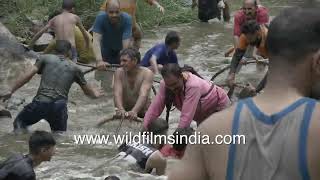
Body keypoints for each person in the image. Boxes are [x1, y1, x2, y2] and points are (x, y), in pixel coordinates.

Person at [168, 8, 320, 180]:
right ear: (318, 61)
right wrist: (233, 73)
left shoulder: (209, 130)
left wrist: (257, 89)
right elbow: (239, 57)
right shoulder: (315, 127)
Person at [0, 40, 102, 133]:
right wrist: (96, 93)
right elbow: (89, 93)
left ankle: (22, 142)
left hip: (40, 103)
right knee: (59, 134)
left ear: (54, 50)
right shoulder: (75, 68)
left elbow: (28, 75)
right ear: (69, 52)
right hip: (59, 107)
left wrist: (11, 90)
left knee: (19, 123)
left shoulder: (45, 58)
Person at [143, 63, 230, 130]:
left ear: (181, 76)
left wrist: (176, 141)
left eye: (175, 84)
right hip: (200, 114)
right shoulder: (164, 84)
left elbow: (186, 116)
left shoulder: (193, 86)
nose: (172, 88)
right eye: (169, 85)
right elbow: (155, 108)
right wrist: (145, 127)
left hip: (218, 106)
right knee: (203, 138)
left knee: (221, 135)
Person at [92, 0, 132, 92]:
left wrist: (124, 60)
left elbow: (126, 43)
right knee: (106, 86)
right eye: (111, 12)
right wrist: (99, 60)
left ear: (120, 11)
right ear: (106, 11)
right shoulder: (100, 18)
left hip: (121, 51)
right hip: (106, 51)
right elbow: (96, 40)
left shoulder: (127, 19)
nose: (114, 15)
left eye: (117, 12)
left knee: (123, 84)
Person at [100, 0, 164, 49]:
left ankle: (133, 56)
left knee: (138, 35)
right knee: (127, 45)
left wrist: (158, 5)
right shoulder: (110, 2)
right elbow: (103, 12)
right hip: (119, 27)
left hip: (132, 25)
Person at [227, 20, 268, 91]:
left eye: (250, 39)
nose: (248, 41)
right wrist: (232, 73)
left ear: (258, 33)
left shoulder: (270, 38)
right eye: (247, 38)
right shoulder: (246, 36)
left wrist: (257, 89)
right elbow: (237, 56)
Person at [114, 48, 154, 120]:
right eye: (121, 61)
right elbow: (117, 93)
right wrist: (120, 109)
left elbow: (143, 94)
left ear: (135, 61)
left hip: (143, 112)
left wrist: (134, 111)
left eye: (125, 61)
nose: (121, 64)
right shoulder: (119, 72)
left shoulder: (147, 73)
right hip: (124, 111)